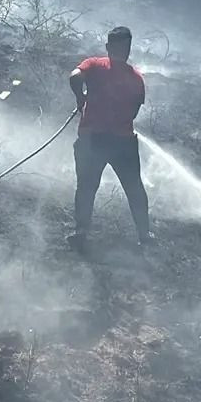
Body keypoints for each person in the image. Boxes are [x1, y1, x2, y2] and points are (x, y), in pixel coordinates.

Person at [67, 26, 153, 252]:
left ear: (108, 47)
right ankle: (144, 234)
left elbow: (74, 76)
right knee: (134, 188)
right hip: (122, 142)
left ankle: (81, 232)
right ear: (128, 50)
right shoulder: (136, 78)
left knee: (86, 187)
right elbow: (134, 111)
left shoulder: (94, 65)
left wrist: (81, 98)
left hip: (92, 138)